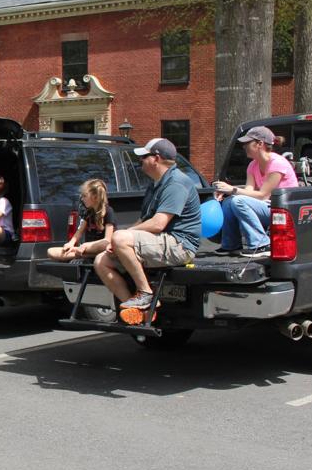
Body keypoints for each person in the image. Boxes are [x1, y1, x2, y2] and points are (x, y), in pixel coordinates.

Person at [94, 138, 201, 324]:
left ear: (156, 159)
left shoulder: (176, 183)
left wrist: (123, 238)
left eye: (144, 157)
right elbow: (145, 219)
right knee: (100, 260)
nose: (140, 161)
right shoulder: (156, 183)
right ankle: (136, 309)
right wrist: (122, 240)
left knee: (120, 238)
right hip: (160, 240)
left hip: (180, 244)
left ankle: (145, 293)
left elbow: (158, 223)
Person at [212, 125, 299, 258]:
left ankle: (261, 244)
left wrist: (233, 189)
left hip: (283, 213)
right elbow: (248, 191)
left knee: (238, 200)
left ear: (260, 144)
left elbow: (263, 195)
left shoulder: (277, 163)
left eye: (247, 143)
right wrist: (227, 191)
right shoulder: (253, 165)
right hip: (267, 207)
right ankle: (231, 245)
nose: (243, 146)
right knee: (229, 201)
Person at [49, 178, 115, 260]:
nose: (82, 199)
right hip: (87, 249)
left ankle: (83, 253)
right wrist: (71, 243)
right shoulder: (88, 212)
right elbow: (79, 232)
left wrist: (86, 246)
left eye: (84, 196)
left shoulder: (108, 211)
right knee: (51, 251)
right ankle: (84, 254)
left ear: (95, 197)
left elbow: (107, 240)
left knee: (104, 244)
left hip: (100, 248)